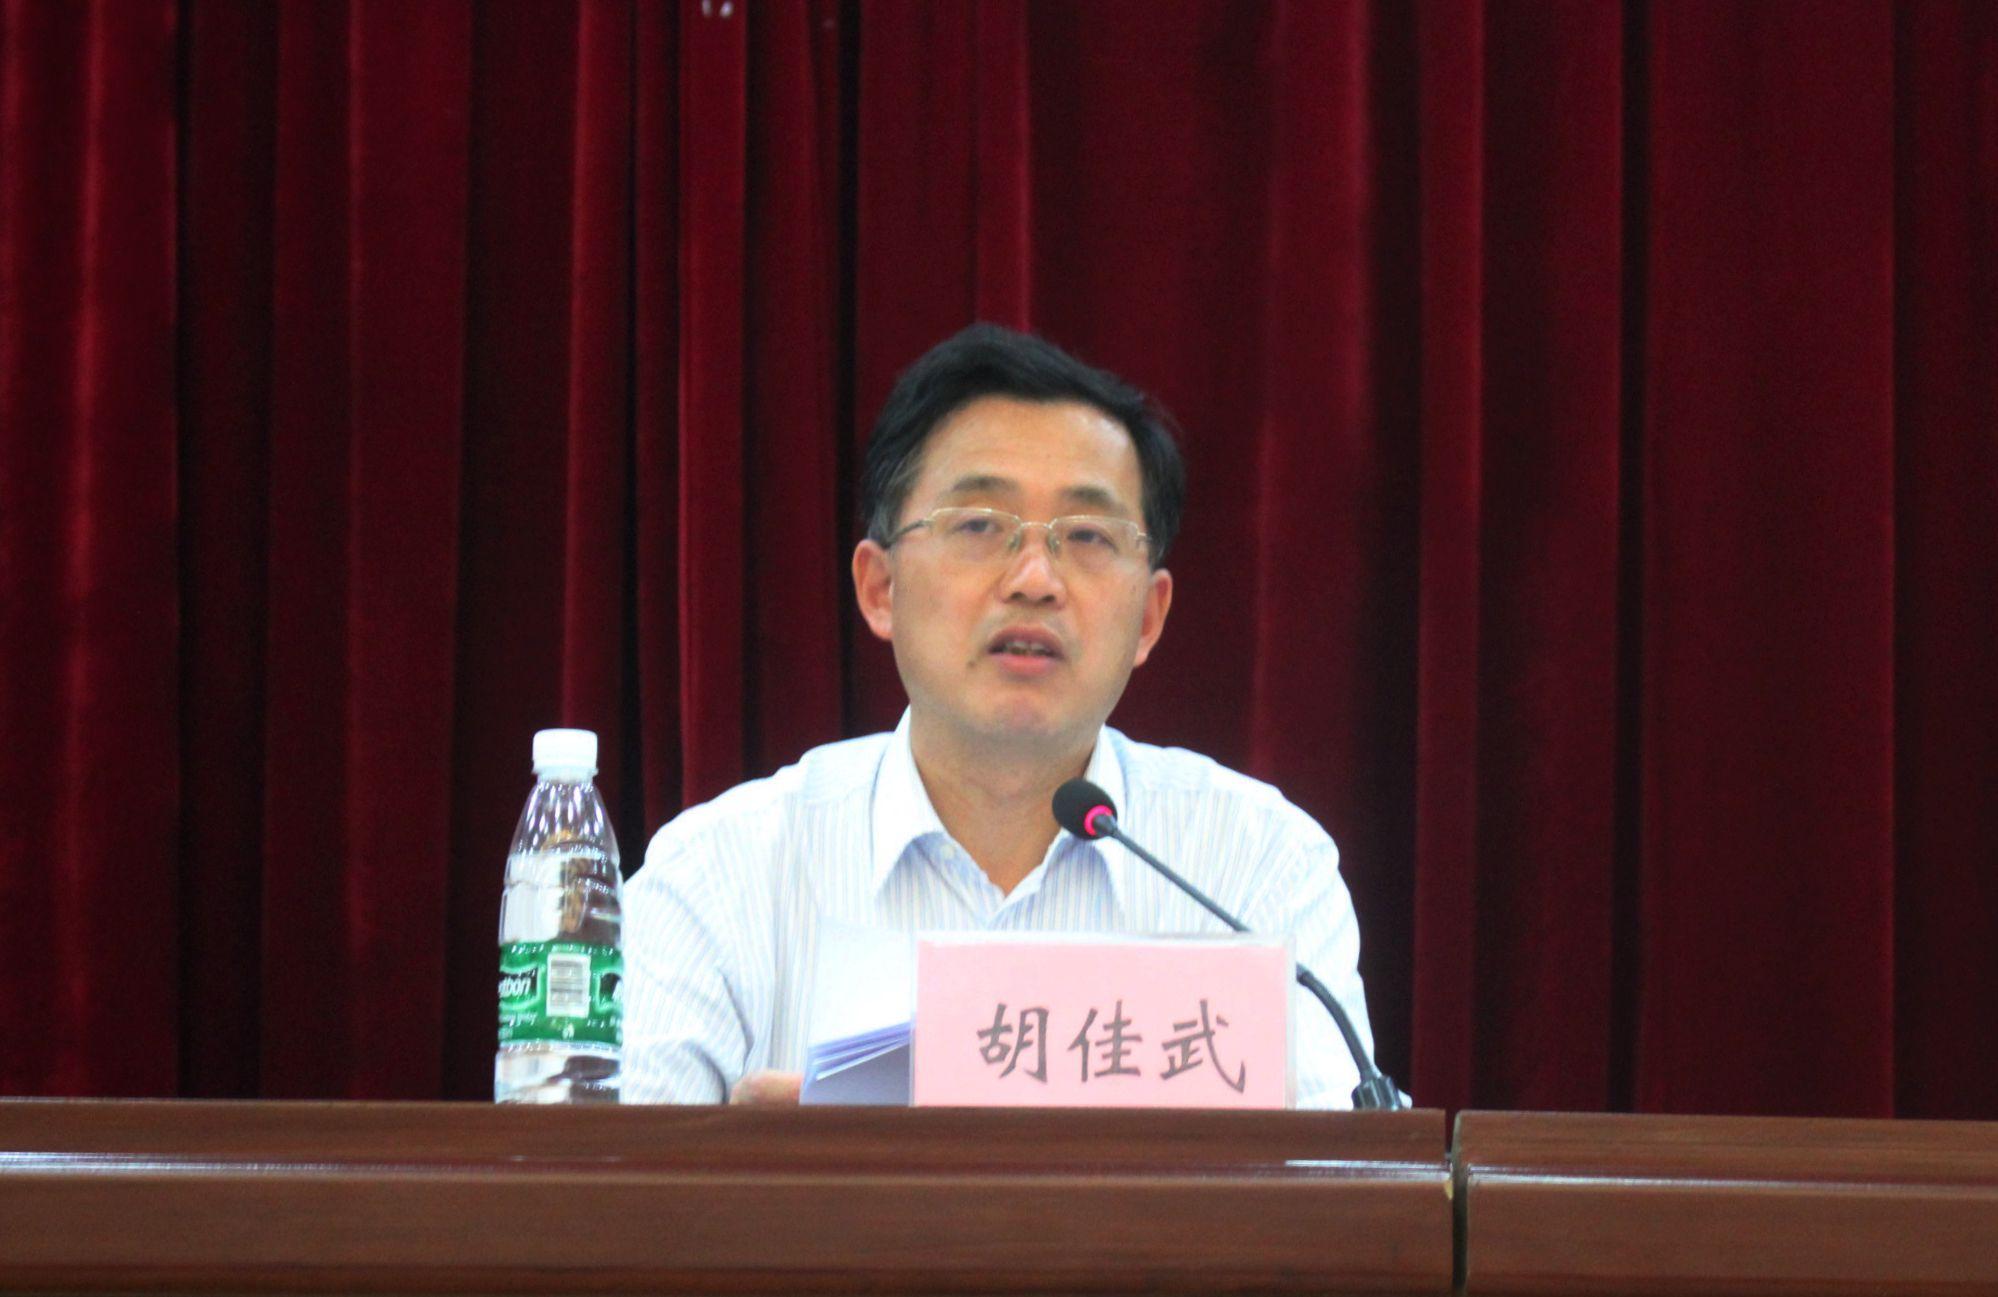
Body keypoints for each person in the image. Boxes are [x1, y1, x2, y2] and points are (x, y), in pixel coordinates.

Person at [624, 323, 1380, 1106]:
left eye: (1087, 535)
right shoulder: (719, 877)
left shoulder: (1257, 868)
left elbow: (1336, 1175)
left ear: (1149, 618)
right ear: (880, 588)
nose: (1034, 578)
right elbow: (603, 1176)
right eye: (980, 525)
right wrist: (768, 1168)